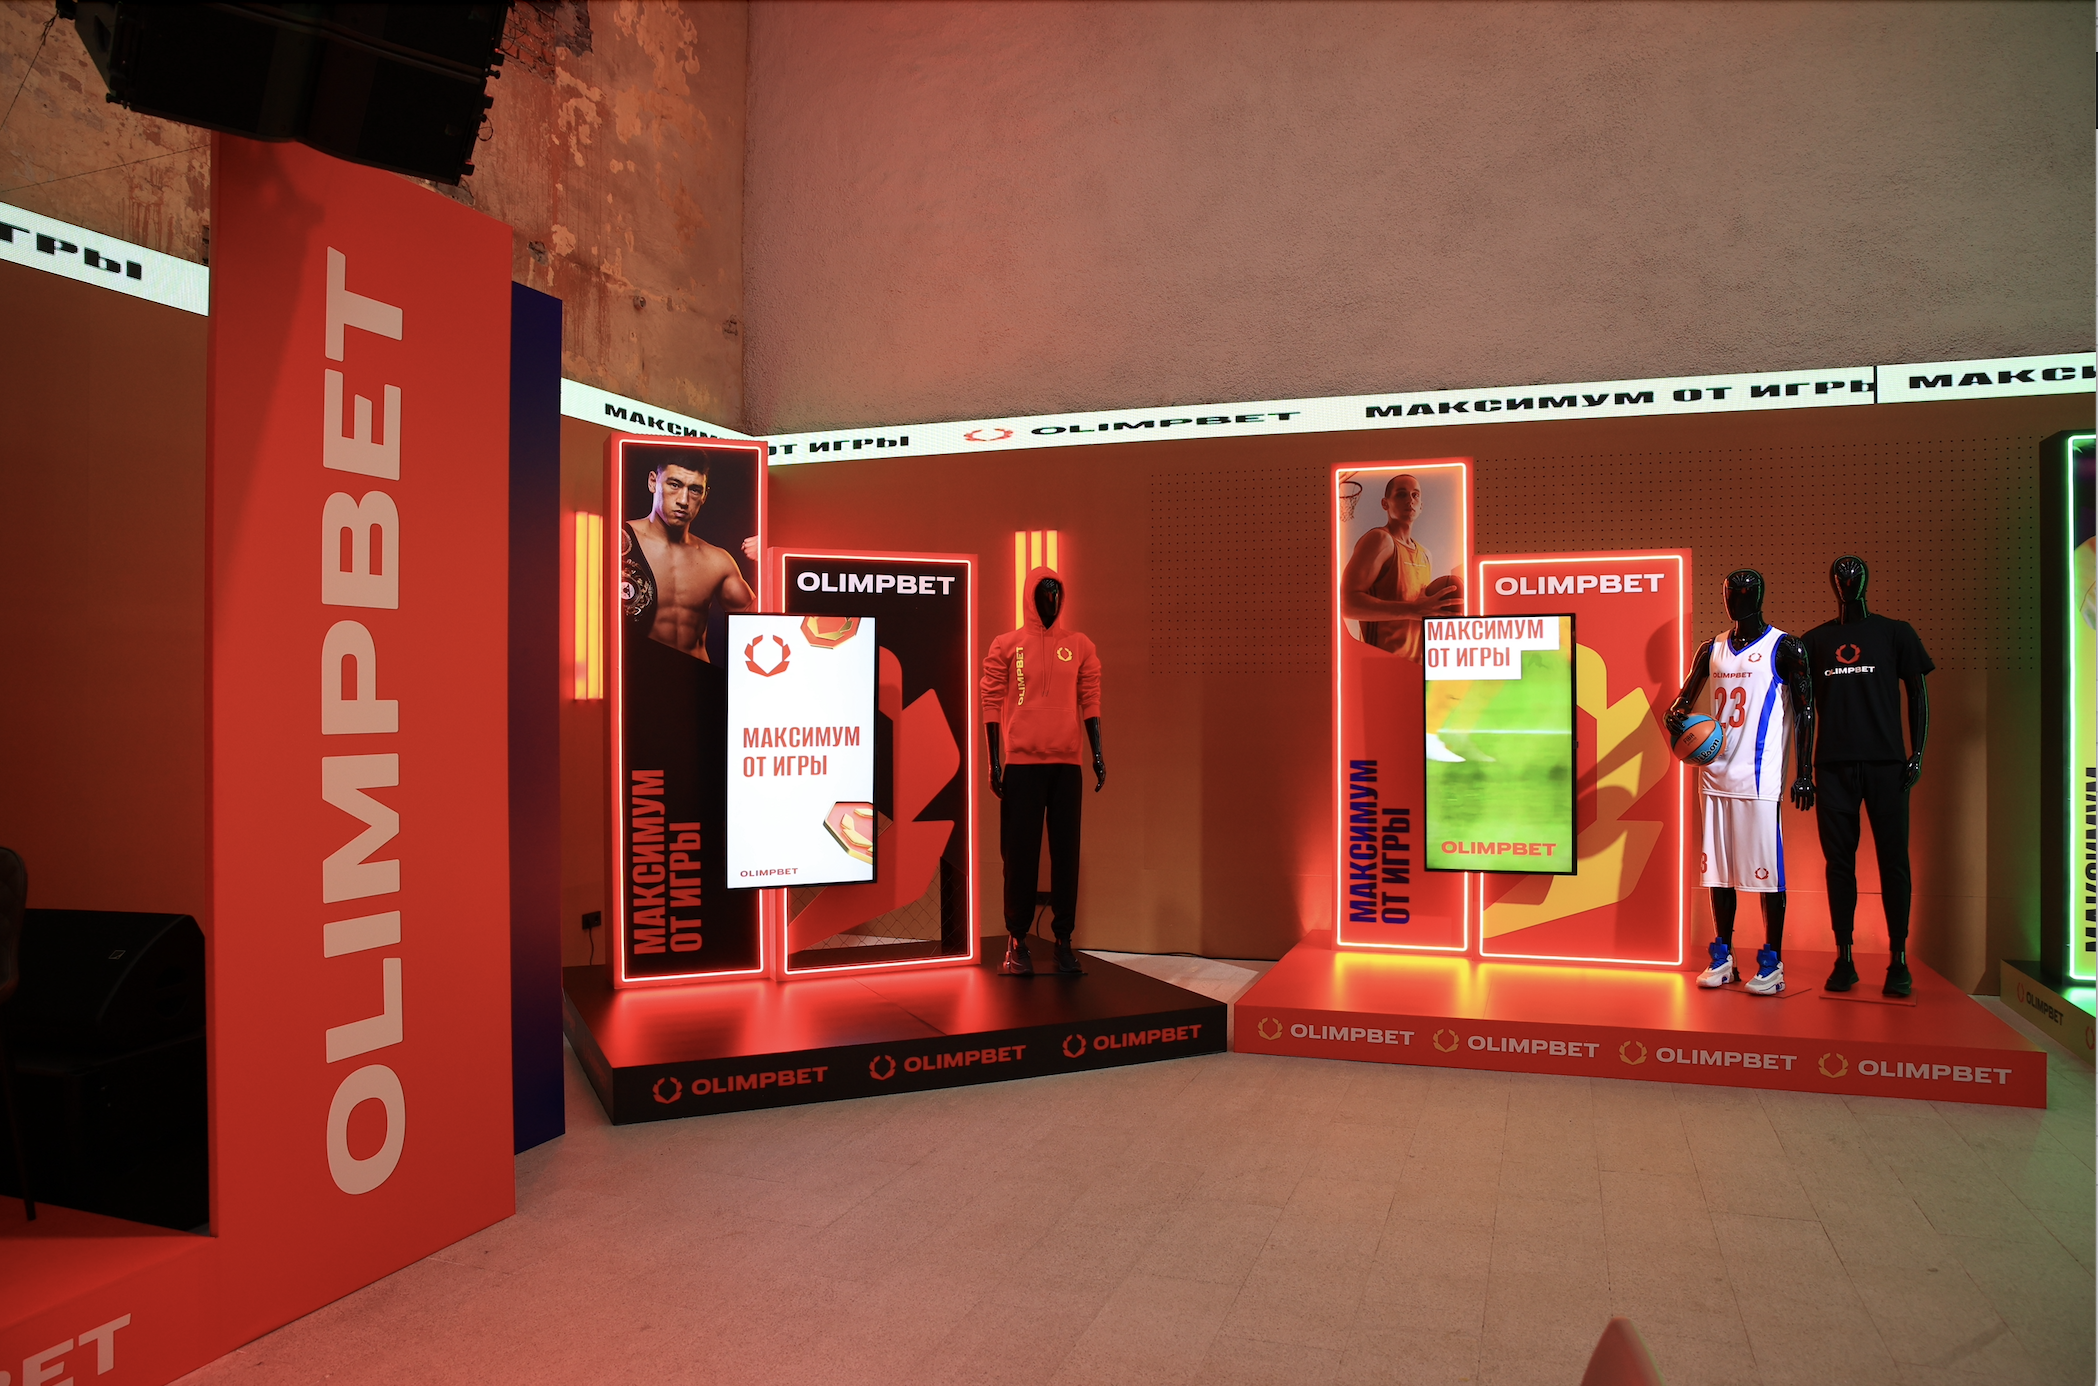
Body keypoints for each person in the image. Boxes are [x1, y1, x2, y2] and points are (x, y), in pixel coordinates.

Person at [1668, 570, 1816, 996]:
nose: (1735, 600)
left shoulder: (1785, 647)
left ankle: (1773, 961)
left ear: (1759, 597)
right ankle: (1723, 955)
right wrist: (1674, 716)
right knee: (1717, 871)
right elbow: (1683, 699)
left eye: (1744, 593)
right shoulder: (1710, 648)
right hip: (1714, 773)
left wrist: (1804, 772)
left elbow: (1806, 711)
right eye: (1730, 593)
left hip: (1758, 776)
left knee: (1766, 873)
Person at [1804, 556, 1932, 997]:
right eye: (1840, 577)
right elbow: (1802, 712)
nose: (1847, 583)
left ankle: (1898, 959)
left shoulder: (1895, 633)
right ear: (1831, 584)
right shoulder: (1815, 642)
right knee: (1839, 864)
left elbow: (1918, 694)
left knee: (1893, 861)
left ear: (1865, 581)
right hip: (1833, 767)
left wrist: (1916, 755)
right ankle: (1844, 957)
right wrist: (1804, 769)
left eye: (1854, 576)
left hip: (1886, 765)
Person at [980, 565, 1104, 977]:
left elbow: (1090, 698)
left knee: (1066, 855)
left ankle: (1063, 941)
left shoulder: (1080, 645)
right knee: (1020, 856)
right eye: (1043, 593)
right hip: (1022, 765)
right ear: (1030, 597)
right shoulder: (1007, 645)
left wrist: (1097, 754)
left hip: (1067, 765)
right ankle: (1017, 940)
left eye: (1056, 594)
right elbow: (990, 699)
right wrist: (994, 760)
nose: (1051, 600)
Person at [1338, 472, 1472, 761]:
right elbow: (1347, 604)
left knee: (1407, 757)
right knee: (1382, 755)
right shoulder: (1379, 540)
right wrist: (1413, 610)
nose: (1409, 500)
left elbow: (1418, 612)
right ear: (1386, 503)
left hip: (1413, 667)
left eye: (1415, 495)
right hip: (1381, 669)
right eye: (1401, 494)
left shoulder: (1425, 555)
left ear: (1421, 505)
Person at [620, 455, 757, 657]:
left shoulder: (717, 560)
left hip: (696, 675)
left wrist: (769, 561)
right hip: (636, 672)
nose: (683, 501)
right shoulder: (619, 542)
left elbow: (757, 621)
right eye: (674, 485)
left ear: (704, 496)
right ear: (653, 482)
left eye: (694, 490)